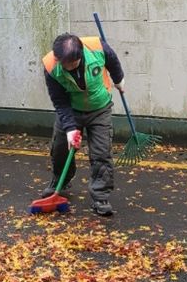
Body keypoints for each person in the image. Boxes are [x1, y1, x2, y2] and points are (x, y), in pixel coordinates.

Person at [41, 33, 125, 216]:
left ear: (80, 55)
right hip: (71, 109)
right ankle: (60, 181)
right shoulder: (50, 66)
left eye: (72, 64)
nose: (68, 68)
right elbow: (59, 101)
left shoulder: (97, 47)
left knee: (101, 153)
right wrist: (70, 129)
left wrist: (119, 80)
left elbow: (113, 61)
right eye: (64, 64)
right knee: (60, 149)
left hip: (100, 108)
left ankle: (100, 197)